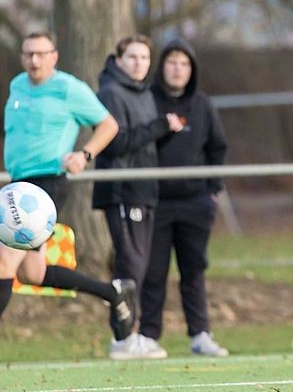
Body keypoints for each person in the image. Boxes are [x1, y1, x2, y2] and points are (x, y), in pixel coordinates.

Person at [1, 31, 137, 340]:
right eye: (28, 54)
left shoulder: (69, 88)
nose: (34, 60)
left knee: (3, 260)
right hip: (18, 184)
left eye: (40, 53)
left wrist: (85, 154)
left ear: (54, 56)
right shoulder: (18, 85)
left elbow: (109, 125)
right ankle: (114, 293)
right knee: (31, 272)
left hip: (46, 182)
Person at [95, 34, 185, 359]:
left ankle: (130, 336)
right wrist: (161, 126)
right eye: (132, 57)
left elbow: (143, 142)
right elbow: (117, 143)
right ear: (119, 60)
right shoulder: (111, 93)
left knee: (140, 265)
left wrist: (164, 131)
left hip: (146, 190)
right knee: (130, 263)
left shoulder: (145, 93)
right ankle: (121, 338)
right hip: (122, 190)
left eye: (145, 58)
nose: (139, 64)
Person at [140, 38, 229, 356]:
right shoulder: (147, 101)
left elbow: (217, 147)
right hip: (157, 201)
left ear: (191, 69)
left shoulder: (202, 104)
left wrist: (212, 189)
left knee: (193, 270)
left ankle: (201, 334)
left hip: (195, 203)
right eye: (172, 62)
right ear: (162, 66)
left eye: (184, 63)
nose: (178, 69)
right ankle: (148, 335)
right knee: (154, 271)